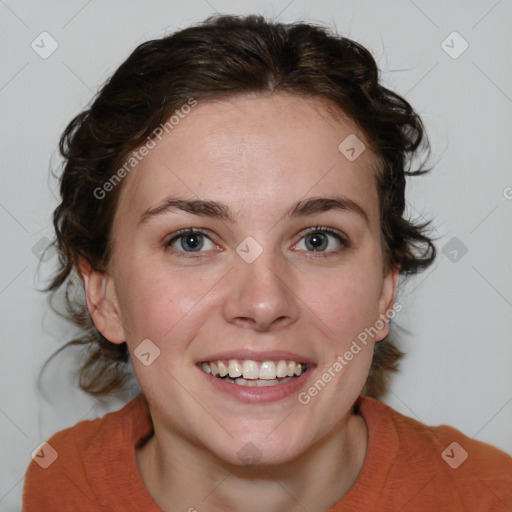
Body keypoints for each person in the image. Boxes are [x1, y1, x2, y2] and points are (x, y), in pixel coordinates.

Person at [22, 13, 512, 512]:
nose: (262, 302)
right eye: (192, 241)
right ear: (104, 296)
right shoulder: (63, 484)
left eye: (318, 240)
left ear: (386, 289)